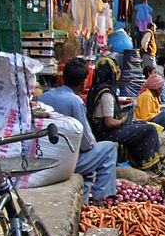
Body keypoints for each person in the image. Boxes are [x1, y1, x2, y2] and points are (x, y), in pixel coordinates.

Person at [39, 58, 117, 206]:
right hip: (65, 160)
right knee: (109, 149)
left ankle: (84, 204)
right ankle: (100, 199)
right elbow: (87, 142)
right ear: (83, 81)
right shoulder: (75, 101)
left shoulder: (44, 97)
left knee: (89, 169)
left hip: (45, 157)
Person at [86, 56, 163, 173]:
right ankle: (148, 167)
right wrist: (124, 121)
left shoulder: (94, 90)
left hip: (98, 130)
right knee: (149, 129)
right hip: (107, 133)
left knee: (139, 124)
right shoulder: (106, 94)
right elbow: (109, 122)